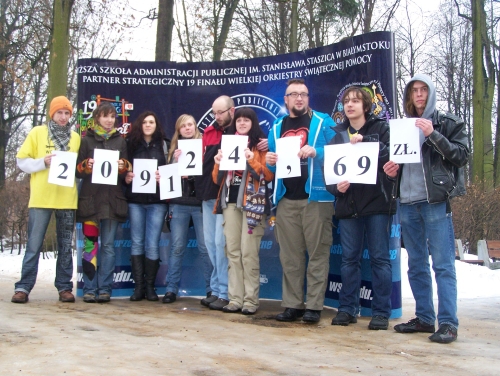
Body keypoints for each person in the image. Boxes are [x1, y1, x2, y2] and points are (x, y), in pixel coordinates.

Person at [383, 74, 469, 343]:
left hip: (435, 202)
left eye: (423, 90)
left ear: (431, 93)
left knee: (443, 265)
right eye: (414, 91)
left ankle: (448, 323)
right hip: (406, 204)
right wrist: (391, 171)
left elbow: (461, 156)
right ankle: (424, 318)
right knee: (417, 265)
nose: (419, 95)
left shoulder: (449, 123)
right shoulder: (400, 127)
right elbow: (398, 163)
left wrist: (433, 134)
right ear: (409, 97)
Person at [266, 78, 336, 323]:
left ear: (308, 98)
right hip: (286, 199)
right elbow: (271, 164)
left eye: (303, 94)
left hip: (316, 198)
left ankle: (314, 306)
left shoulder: (322, 121)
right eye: (294, 94)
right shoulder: (276, 127)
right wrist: (269, 162)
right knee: (290, 256)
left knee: (318, 253)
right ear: (285, 100)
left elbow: (341, 150)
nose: (299, 98)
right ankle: (293, 304)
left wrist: (318, 151)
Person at [325, 87, 395, 330]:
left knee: (379, 259)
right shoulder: (337, 136)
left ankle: (381, 313)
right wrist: (337, 188)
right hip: (348, 207)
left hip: (377, 205)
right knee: (349, 260)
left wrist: (367, 143)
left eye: (355, 101)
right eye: (346, 101)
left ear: (366, 105)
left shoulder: (380, 129)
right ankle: (347, 309)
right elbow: (329, 179)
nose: (350, 105)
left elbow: (391, 158)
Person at [11, 96, 80, 304]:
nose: (63, 117)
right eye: (59, 112)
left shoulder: (76, 138)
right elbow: (21, 161)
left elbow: (78, 167)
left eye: (67, 113)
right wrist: (43, 162)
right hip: (41, 198)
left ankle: (64, 287)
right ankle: (23, 287)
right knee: (34, 244)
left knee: (65, 246)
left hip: (67, 199)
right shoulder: (37, 133)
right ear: (52, 113)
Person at [212, 108, 274, 315]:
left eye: (246, 120)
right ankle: (235, 299)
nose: (242, 123)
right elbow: (216, 180)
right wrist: (217, 164)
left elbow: (268, 175)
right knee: (233, 252)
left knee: (248, 253)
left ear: (253, 123)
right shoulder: (227, 144)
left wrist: (251, 159)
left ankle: (250, 300)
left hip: (252, 204)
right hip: (230, 202)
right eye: (239, 120)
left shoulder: (261, 145)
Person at [76, 102, 131, 303]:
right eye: (105, 116)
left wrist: (123, 165)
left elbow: (127, 169)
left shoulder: (120, 141)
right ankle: (89, 288)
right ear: (97, 117)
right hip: (90, 202)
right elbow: (76, 170)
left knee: (108, 246)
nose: (109, 120)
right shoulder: (86, 140)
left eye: (112, 117)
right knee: (90, 245)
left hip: (112, 202)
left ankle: (105, 288)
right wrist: (85, 165)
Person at [162, 114, 213, 304]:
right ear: (178, 130)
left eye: (190, 125)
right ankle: (171, 289)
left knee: (204, 247)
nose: (187, 128)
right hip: (179, 202)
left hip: (199, 203)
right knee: (176, 247)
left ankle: (211, 289)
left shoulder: (205, 146)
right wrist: (175, 163)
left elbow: (210, 173)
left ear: (195, 127)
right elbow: (166, 178)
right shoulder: (173, 149)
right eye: (183, 126)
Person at [124, 111, 168, 302]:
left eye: (152, 122)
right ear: (139, 125)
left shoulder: (164, 145)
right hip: (135, 201)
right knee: (137, 242)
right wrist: (125, 177)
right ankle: (138, 287)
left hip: (157, 202)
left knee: (152, 244)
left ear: (156, 125)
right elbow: (122, 169)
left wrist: (163, 177)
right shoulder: (130, 144)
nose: (148, 125)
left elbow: (172, 172)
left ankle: (150, 287)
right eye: (145, 122)